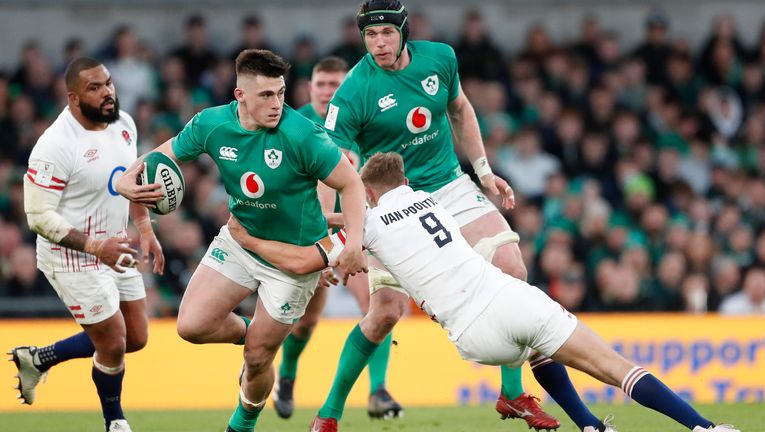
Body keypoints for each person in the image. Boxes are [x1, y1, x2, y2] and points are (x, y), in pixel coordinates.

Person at [228, 152, 740, 432]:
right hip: (504, 299)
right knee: (615, 367)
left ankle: (587, 426)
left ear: (371, 192)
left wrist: (257, 235)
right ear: (404, 180)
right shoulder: (431, 201)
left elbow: (332, 247)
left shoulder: (370, 226)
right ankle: (703, 429)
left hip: (471, 339)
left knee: (535, 348)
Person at [316, 0, 561, 429]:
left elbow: (461, 109)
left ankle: (512, 393)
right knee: (386, 313)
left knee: (511, 268)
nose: (378, 43)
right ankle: (329, 414)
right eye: (370, 35)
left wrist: (483, 171)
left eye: (387, 33)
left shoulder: (441, 58)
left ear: (404, 31)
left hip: (449, 185)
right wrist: (330, 233)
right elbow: (334, 168)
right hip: (392, 200)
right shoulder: (353, 92)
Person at [114, 49, 367, 432]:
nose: (277, 104)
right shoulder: (211, 125)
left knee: (259, 360)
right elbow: (149, 164)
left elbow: (351, 184)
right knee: (192, 326)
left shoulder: (304, 135)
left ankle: (242, 423)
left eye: (281, 93)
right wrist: (123, 186)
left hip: (293, 259)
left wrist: (352, 243)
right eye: (266, 95)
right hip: (239, 239)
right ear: (240, 96)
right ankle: (254, 331)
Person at [9, 57, 165, 432]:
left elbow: (131, 182)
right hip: (72, 257)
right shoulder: (55, 145)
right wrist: (96, 248)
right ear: (74, 99)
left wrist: (144, 228)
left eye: (108, 83)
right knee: (112, 343)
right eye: (95, 88)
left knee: (137, 337)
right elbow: (39, 217)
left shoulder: (124, 124)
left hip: (115, 246)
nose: (108, 92)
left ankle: (39, 357)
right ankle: (115, 421)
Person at [272, 56, 402, 420]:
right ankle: (286, 375)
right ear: (309, 88)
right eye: (322, 84)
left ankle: (378, 390)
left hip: (353, 229)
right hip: (306, 232)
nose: (329, 91)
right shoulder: (289, 122)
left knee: (377, 302)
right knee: (305, 321)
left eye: (335, 85)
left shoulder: (357, 122)